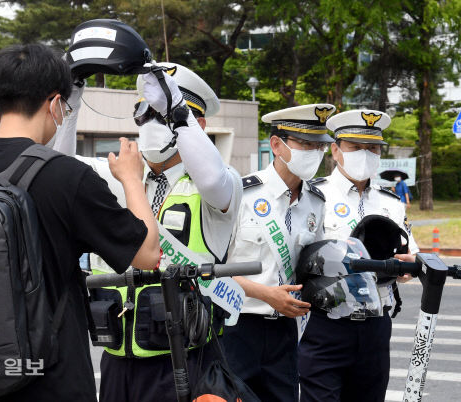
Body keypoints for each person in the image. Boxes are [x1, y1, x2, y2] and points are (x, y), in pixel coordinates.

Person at [0, 43, 160, 402]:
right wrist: (130, 178)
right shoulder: (67, 176)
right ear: (54, 104)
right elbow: (147, 255)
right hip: (50, 380)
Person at [53, 62, 243, 402]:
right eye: (145, 112)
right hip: (117, 359)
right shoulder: (119, 172)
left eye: (163, 115)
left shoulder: (219, 182)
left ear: (197, 125)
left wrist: (177, 113)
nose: (153, 123)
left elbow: (213, 180)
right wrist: (73, 100)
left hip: (184, 361)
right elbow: (58, 164)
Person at [300, 109, 418, 402]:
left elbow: (410, 254)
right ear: (336, 151)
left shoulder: (391, 202)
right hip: (325, 322)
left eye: (373, 148)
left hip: (376, 325)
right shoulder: (312, 196)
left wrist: (408, 266)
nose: (365, 154)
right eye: (355, 147)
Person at [223, 104, 335, 402]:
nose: (314, 152)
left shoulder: (315, 201)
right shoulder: (241, 194)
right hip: (238, 326)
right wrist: (265, 294)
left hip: (286, 330)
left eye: (319, 145)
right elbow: (212, 269)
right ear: (277, 145)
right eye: (305, 144)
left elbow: (315, 265)